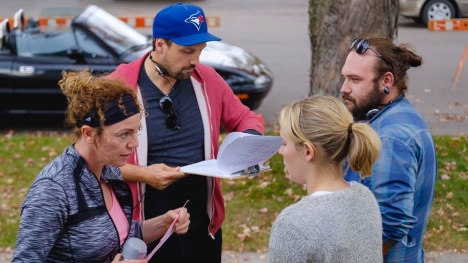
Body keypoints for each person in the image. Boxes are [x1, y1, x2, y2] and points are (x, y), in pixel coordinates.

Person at [107, 2, 263, 262]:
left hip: (202, 226)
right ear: (160, 45)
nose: (195, 60)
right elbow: (93, 163)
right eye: (187, 51)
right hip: (143, 228)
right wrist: (143, 174)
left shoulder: (207, 79)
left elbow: (245, 117)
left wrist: (251, 144)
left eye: (201, 51)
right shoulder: (119, 87)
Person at [12, 70, 190, 263]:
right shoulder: (53, 189)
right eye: (124, 134)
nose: (134, 143)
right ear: (88, 133)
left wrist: (164, 223)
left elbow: (121, 234)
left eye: (136, 131)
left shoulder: (108, 170)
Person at [341, 37, 437, 262]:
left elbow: (389, 226)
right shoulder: (392, 115)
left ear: (386, 80)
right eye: (345, 77)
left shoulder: (391, 138)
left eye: (354, 79)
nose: (344, 88)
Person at [268, 95, 383, 263]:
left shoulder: (293, 225)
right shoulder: (365, 197)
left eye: (285, 144)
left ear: (308, 151)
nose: (281, 151)